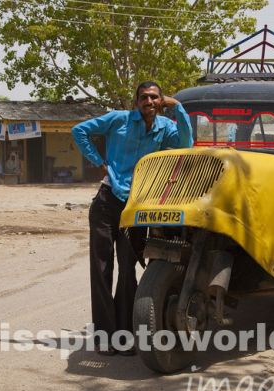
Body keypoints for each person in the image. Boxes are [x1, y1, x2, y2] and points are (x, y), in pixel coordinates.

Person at [72, 81, 193, 355]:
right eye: (143, 97)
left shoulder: (166, 127)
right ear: (136, 101)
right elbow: (79, 131)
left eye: (154, 97)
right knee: (102, 271)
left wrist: (179, 108)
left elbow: (186, 144)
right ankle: (105, 337)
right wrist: (99, 162)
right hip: (106, 203)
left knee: (128, 272)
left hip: (137, 207)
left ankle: (124, 337)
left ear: (161, 100)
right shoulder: (119, 119)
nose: (148, 101)